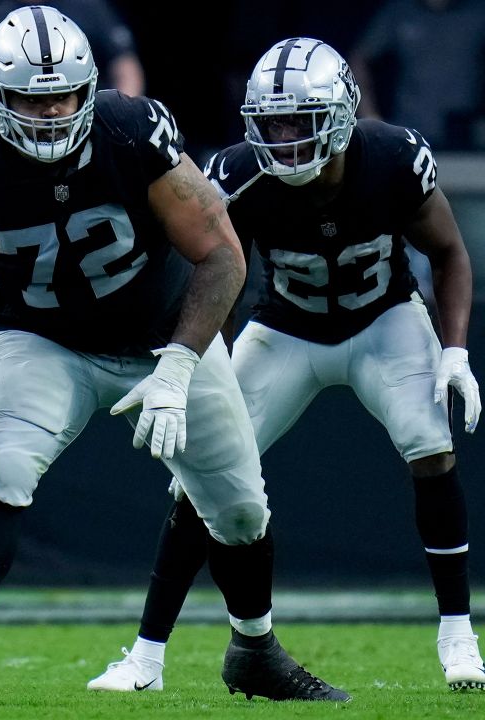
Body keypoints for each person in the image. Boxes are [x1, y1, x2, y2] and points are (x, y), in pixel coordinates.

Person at [0, 6, 347, 705]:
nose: (47, 112)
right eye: (31, 99)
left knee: (242, 510)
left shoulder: (131, 132)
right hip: (41, 337)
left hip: (161, 333)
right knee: (3, 466)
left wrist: (181, 363)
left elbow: (220, 255)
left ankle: (255, 650)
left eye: (61, 95)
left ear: (89, 88)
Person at [88, 37, 485, 694]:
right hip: (285, 327)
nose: (286, 138)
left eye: (301, 121)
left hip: (382, 319)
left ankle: (458, 637)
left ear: (342, 112)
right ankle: (146, 657)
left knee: (430, 445)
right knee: (199, 477)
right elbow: (204, 268)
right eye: (273, 123)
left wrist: (456, 350)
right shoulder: (240, 173)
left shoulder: (391, 157)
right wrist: (180, 363)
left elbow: (448, 251)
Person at [350, 0, 485, 150]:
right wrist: (370, 118)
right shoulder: (400, 10)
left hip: (466, 138)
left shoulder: (478, 11)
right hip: (409, 132)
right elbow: (360, 58)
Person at [0, 0, 144, 109]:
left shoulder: (89, 7)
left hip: (92, 116)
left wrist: (118, 112)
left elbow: (126, 69)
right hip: (20, 119)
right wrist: (10, 117)